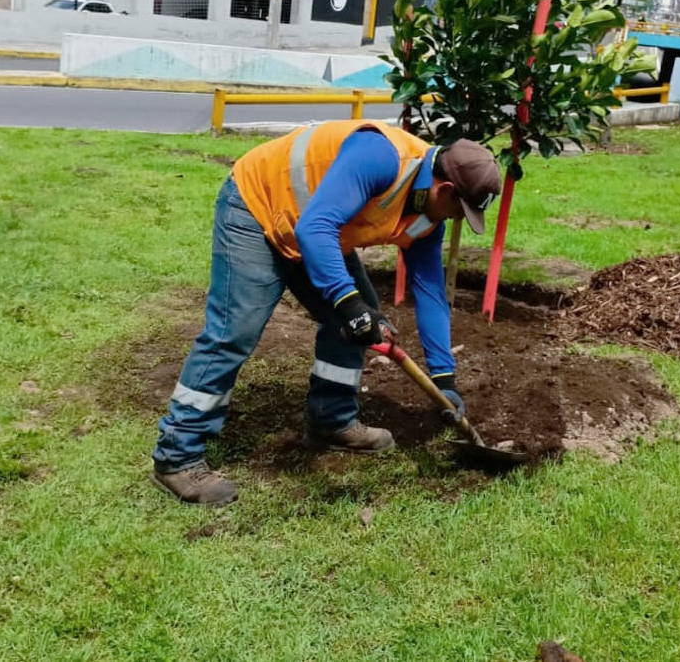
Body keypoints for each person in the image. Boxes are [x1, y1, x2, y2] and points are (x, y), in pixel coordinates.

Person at [150, 121, 503, 506]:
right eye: (459, 209)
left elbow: (431, 292)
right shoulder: (382, 158)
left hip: (315, 230)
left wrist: (444, 378)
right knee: (234, 332)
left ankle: (330, 421)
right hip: (258, 209)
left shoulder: (426, 215)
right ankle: (177, 456)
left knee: (358, 323)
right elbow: (316, 227)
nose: (455, 220)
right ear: (446, 188)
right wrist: (347, 303)